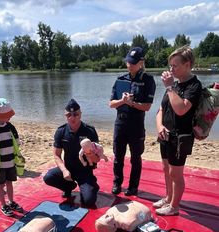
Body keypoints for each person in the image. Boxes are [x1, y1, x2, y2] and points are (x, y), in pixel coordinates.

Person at [155, 46, 202, 216]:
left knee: (176, 173)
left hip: (180, 137)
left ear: (187, 64)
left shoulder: (194, 86)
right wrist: (160, 127)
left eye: (175, 66)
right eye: (170, 66)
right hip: (165, 135)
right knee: (166, 169)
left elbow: (181, 109)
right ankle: (168, 198)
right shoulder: (175, 85)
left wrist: (169, 88)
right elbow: (160, 109)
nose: (171, 69)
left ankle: (174, 207)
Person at [109, 47, 156, 196]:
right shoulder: (120, 79)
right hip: (120, 123)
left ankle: (133, 186)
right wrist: (122, 101)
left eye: (133, 63)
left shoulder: (148, 80)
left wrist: (132, 103)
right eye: (128, 62)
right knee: (118, 156)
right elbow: (111, 104)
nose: (129, 65)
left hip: (136, 124)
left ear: (141, 62)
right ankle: (117, 183)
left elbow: (147, 107)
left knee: (136, 157)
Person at [43, 99, 100, 207]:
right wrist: (64, 170)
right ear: (65, 115)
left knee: (89, 201)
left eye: (75, 114)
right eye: (69, 115)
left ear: (81, 114)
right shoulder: (61, 131)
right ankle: (68, 187)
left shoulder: (90, 131)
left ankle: (92, 185)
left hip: (85, 171)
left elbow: (97, 159)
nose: (72, 117)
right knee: (49, 177)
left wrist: (91, 155)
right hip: (68, 169)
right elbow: (56, 155)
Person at [0, 98, 25, 217]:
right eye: (7, 115)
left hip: (11, 162)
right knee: (0, 185)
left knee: (10, 183)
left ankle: (11, 202)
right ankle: (3, 205)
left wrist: (19, 157)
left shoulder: (10, 127)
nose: (10, 117)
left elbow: (16, 144)